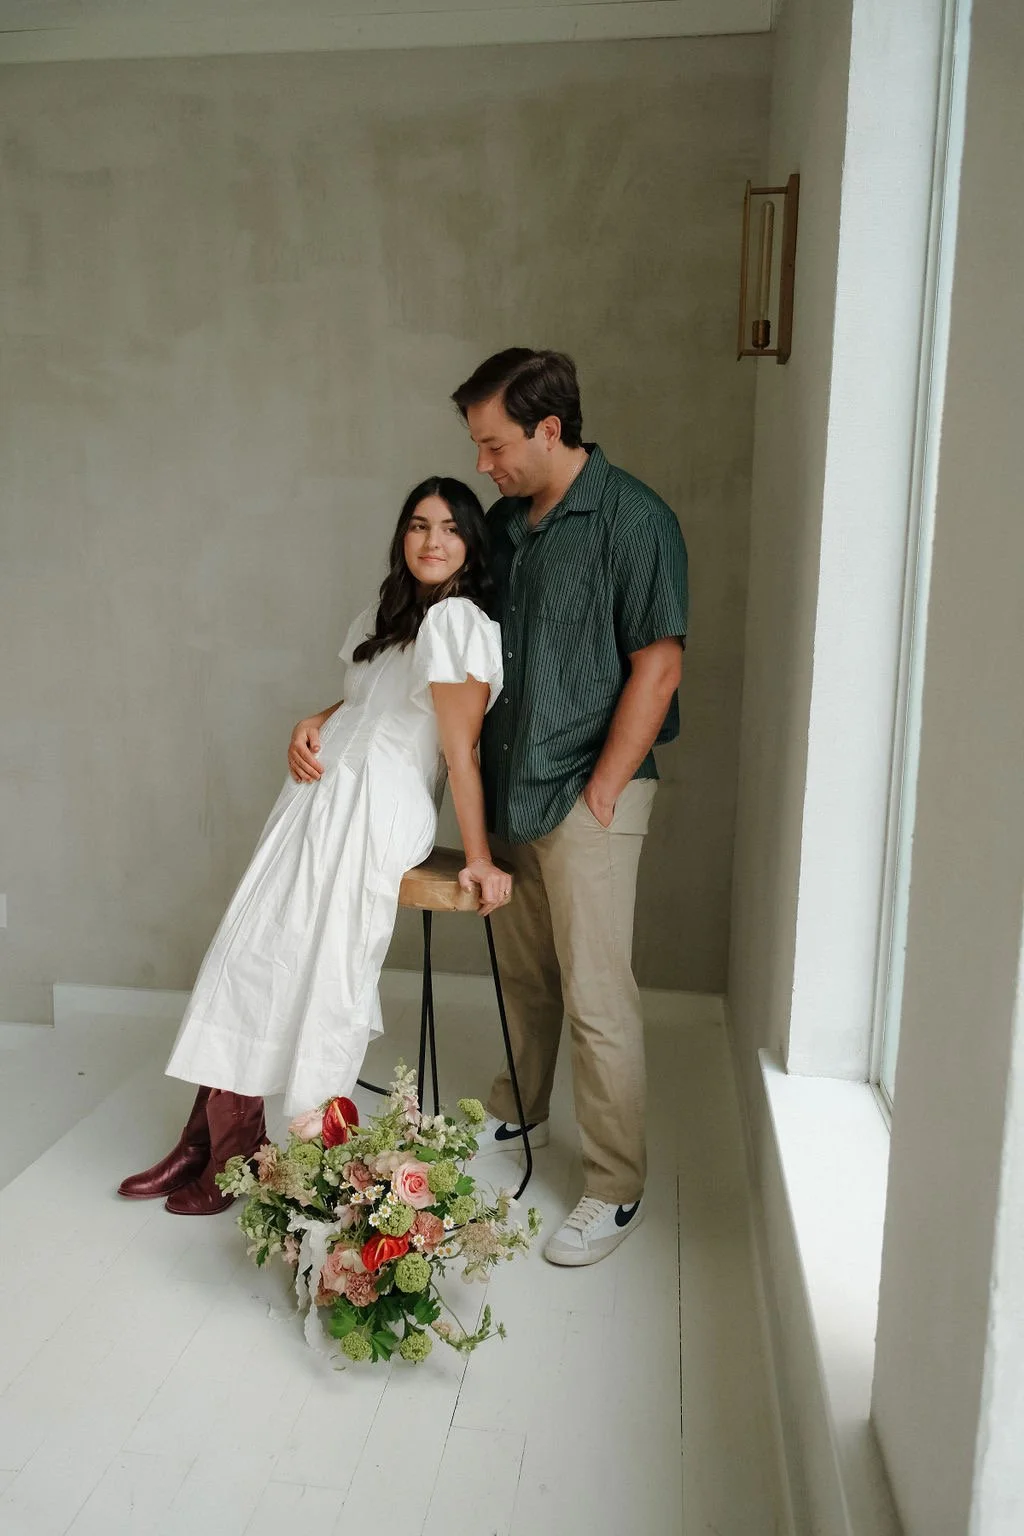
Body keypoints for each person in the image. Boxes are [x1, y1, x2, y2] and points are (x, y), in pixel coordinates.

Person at [118, 477, 509, 1215]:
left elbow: (458, 751)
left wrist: (479, 856)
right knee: (249, 944)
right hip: (319, 791)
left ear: (471, 545)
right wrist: (317, 715)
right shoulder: (390, 612)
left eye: (451, 529)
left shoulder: (460, 621)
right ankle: (210, 1136)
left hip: (376, 803)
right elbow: (371, 698)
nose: (432, 540)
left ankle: (245, 1144)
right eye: (419, 525)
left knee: (312, 956)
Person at [451, 349, 688, 1267]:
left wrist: (601, 789)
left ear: (550, 429)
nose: (484, 465)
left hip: (594, 792)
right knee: (526, 979)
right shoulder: (507, 529)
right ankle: (519, 1115)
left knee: (597, 997)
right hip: (515, 787)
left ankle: (614, 1186)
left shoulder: (634, 519)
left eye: (494, 444)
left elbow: (658, 667)